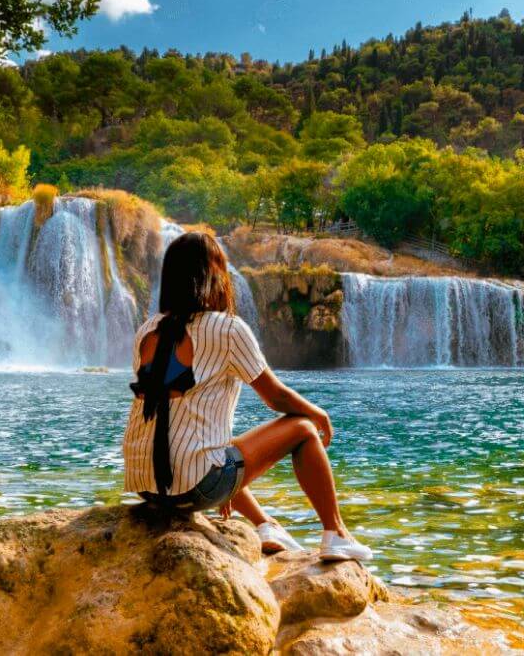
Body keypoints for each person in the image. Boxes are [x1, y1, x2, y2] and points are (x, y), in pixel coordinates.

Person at [122, 231, 372, 562]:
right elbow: (277, 397)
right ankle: (336, 533)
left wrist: (227, 472)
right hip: (193, 487)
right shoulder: (227, 329)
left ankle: (266, 524)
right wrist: (317, 413)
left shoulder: (148, 329)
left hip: (146, 485)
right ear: (214, 275)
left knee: (221, 449)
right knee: (302, 428)